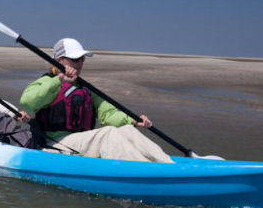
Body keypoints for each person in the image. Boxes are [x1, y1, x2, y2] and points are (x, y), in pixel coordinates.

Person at [19, 38, 173, 162]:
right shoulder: (48, 82)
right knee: (108, 134)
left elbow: (108, 114)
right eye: (75, 59)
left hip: (82, 142)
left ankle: (167, 164)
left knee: (126, 130)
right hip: (54, 144)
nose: (79, 64)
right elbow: (28, 102)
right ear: (60, 60)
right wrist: (59, 79)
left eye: (82, 60)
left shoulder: (86, 89)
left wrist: (132, 120)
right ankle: (146, 171)